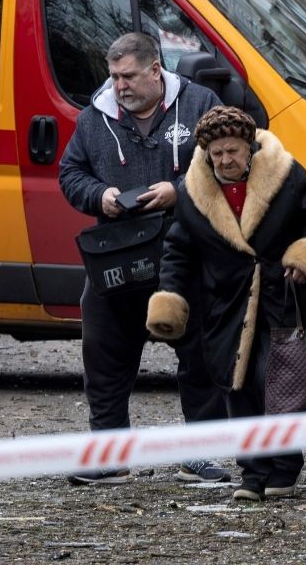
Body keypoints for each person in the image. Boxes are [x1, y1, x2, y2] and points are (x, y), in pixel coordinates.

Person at [58, 32, 230, 485]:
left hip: (185, 254)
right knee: (104, 354)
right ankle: (109, 456)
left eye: (129, 76)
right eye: (114, 77)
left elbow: (232, 161)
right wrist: (102, 196)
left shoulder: (199, 104)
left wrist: (181, 190)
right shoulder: (95, 118)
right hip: (115, 256)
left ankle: (201, 454)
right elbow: (70, 172)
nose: (120, 86)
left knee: (200, 356)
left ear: (156, 70)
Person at [147, 107, 306, 502]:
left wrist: (304, 257)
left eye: (232, 151)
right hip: (225, 305)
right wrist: (170, 296)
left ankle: (284, 468)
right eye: (216, 153)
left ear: (249, 148)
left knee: (277, 382)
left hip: (278, 298)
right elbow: (178, 249)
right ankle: (252, 472)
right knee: (235, 386)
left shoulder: (286, 176)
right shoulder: (192, 193)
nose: (225, 160)